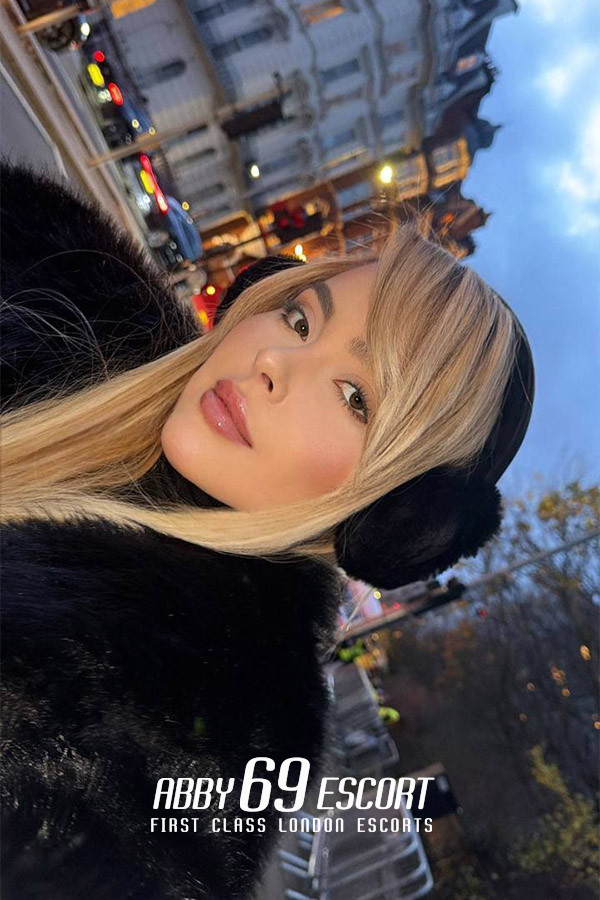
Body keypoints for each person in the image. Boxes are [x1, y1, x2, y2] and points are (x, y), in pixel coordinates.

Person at [0, 164, 535, 899]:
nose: (273, 362)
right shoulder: (46, 277)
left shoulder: (189, 740)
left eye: (355, 396)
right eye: (300, 319)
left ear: (395, 518)